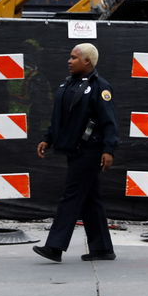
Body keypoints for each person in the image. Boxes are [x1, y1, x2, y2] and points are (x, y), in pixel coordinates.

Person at [33, 43, 119, 262]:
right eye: (69, 57)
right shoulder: (67, 85)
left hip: (90, 151)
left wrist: (108, 149)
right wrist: (48, 138)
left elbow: (109, 122)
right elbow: (59, 119)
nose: (69, 61)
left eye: (73, 58)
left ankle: (54, 246)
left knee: (71, 197)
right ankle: (102, 249)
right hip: (73, 150)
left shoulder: (101, 87)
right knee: (90, 199)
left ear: (87, 61)